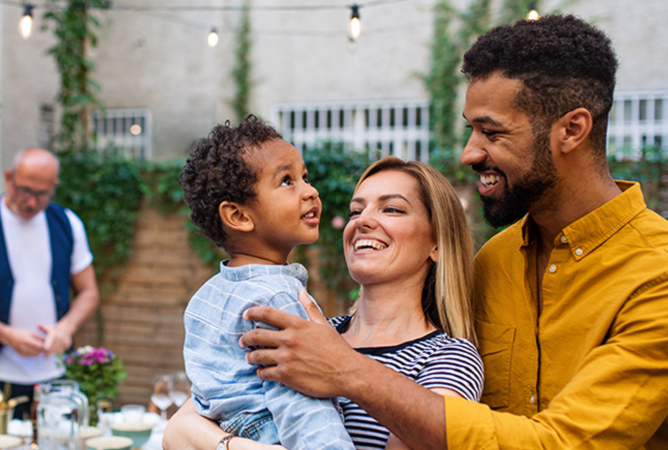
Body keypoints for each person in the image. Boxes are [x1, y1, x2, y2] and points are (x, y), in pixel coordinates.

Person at [213, 15, 668, 449]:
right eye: (471, 130)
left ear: (572, 129)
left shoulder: (656, 274)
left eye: (491, 132)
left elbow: (564, 444)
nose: (470, 153)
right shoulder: (495, 261)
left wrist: (349, 372)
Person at [167, 157, 486, 450]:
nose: (362, 222)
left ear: (437, 243)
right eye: (356, 211)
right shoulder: (309, 329)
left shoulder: (448, 358)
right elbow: (178, 429)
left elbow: (193, 433)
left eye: (391, 209)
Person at [175, 116, 350, 450]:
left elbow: (203, 394)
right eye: (287, 181)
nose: (310, 191)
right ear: (239, 216)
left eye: (305, 177)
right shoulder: (277, 298)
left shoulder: (205, 297)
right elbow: (300, 401)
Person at [0, 147, 100, 420]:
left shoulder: (69, 223)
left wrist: (66, 327)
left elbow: (89, 292)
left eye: (42, 194)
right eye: (24, 190)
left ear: (55, 186)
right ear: (8, 178)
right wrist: (6, 335)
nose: (31, 202)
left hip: (54, 376)